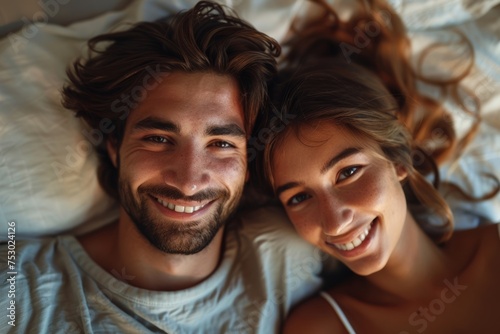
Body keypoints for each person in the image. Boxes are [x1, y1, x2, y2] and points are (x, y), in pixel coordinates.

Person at [0, 2, 328, 333]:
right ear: (114, 147)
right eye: (158, 139)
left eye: (221, 144)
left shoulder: (295, 259)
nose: (188, 181)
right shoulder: (15, 292)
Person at [255, 24, 500, 334]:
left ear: (398, 160)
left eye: (347, 173)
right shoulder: (322, 327)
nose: (334, 222)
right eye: (299, 197)